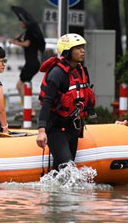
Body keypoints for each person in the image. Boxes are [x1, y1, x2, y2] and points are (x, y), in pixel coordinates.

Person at [36, 34, 96, 170]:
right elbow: (47, 102)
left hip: (72, 128)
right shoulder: (57, 73)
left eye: (83, 48)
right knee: (68, 168)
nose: (82, 51)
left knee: (62, 169)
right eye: (78, 48)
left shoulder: (80, 70)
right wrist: (41, 130)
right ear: (67, 51)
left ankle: (54, 192)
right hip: (56, 128)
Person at [9, 20, 44, 104]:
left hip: (31, 64)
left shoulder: (29, 33)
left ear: (26, 23)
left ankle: (28, 109)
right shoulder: (32, 34)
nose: (20, 24)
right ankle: (28, 108)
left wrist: (15, 42)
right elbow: (28, 45)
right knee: (26, 85)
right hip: (34, 63)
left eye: (21, 22)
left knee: (19, 85)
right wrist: (18, 40)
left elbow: (27, 44)